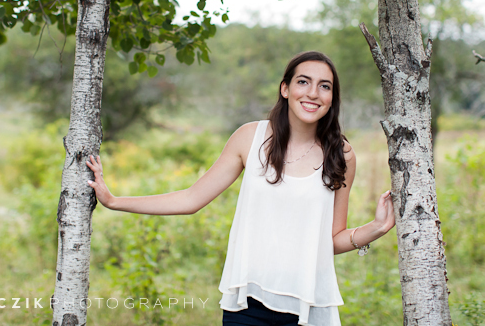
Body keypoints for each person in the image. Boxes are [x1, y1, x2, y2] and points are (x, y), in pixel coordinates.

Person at [86, 51, 396, 326]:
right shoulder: (251, 137)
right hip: (248, 304)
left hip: (309, 306)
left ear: (332, 98)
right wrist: (114, 201)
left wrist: (378, 227)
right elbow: (191, 198)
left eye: (324, 86)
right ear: (285, 89)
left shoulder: (341, 154)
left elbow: (331, 240)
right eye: (303, 82)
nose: (313, 93)